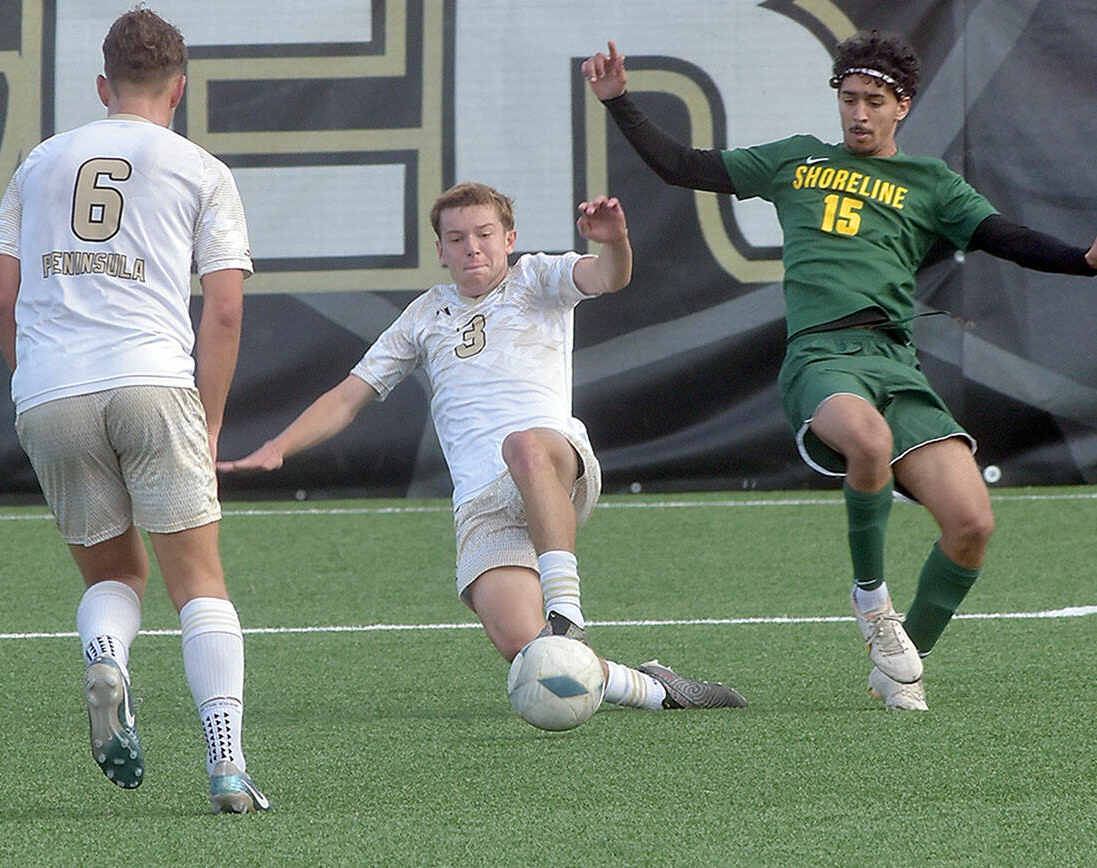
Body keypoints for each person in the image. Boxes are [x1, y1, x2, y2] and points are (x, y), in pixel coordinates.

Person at [582, 34, 1097, 710]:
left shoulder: (930, 183)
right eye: (849, 99)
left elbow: (1006, 238)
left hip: (894, 364)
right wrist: (620, 103)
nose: (858, 113)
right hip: (822, 357)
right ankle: (873, 606)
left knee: (972, 525)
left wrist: (1084, 260)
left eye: (873, 101)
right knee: (869, 441)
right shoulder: (797, 160)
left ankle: (902, 666)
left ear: (902, 106)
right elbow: (682, 165)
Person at [219, 181, 746, 714]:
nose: (472, 247)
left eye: (484, 234)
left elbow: (610, 276)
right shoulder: (424, 315)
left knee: (521, 447)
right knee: (531, 653)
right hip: (481, 502)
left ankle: (566, 610)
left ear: (509, 238)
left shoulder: (538, 277)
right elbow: (349, 396)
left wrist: (616, 243)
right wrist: (279, 446)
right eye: (456, 238)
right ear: (441, 250)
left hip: (553, 462)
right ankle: (656, 690)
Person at [0, 7, 269, 811]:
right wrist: (208, 419)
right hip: (150, 380)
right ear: (179, 89)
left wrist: (35, 379)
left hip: (51, 392)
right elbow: (223, 312)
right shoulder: (199, 168)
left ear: (102, 85)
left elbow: (1, 297)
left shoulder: (40, 162)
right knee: (199, 583)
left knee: (116, 575)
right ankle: (226, 763)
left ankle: (106, 648)